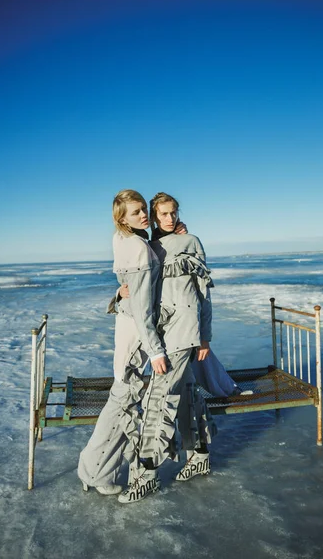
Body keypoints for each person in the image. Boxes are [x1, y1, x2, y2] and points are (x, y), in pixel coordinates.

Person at [118, 192, 219, 503]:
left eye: (173, 213)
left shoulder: (191, 242)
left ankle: (147, 472)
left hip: (184, 332)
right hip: (165, 331)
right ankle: (199, 454)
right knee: (187, 391)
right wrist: (121, 294)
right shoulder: (150, 246)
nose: (170, 218)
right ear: (154, 214)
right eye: (163, 214)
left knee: (157, 399)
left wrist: (205, 336)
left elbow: (204, 293)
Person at [77, 189, 166, 496]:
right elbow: (143, 308)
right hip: (135, 332)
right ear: (123, 219)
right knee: (122, 404)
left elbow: (125, 285)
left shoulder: (122, 239)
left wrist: (118, 294)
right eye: (137, 212)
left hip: (125, 325)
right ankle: (95, 473)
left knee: (121, 400)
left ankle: (95, 469)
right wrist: (155, 350)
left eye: (144, 209)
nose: (144, 215)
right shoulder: (139, 247)